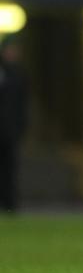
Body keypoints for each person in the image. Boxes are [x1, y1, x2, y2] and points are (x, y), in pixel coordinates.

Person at [0, 34, 28, 212]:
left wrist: (21, 126)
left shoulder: (19, 74)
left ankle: (9, 202)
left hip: (11, 130)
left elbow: (23, 104)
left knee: (10, 167)